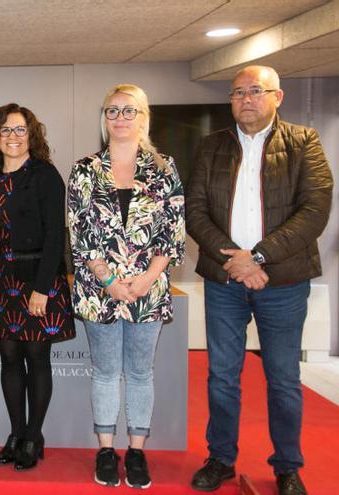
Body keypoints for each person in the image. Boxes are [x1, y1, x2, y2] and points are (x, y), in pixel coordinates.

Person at [187, 66, 333, 495]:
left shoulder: (304, 142)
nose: (246, 99)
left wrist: (260, 257)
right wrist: (235, 261)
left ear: (278, 96)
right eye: (238, 92)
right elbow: (195, 211)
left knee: (284, 378)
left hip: (283, 282)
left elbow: (315, 211)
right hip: (224, 280)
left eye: (255, 91)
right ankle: (220, 458)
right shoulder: (212, 145)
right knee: (221, 376)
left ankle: (288, 466)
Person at [68, 84, 186, 489]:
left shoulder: (165, 168)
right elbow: (78, 233)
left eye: (128, 110)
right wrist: (111, 281)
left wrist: (147, 279)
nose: (120, 117)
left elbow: (173, 234)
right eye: (113, 110)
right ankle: (105, 449)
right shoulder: (84, 169)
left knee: (139, 373)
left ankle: (136, 452)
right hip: (99, 291)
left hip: (147, 293)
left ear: (143, 117)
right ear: (104, 118)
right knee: (104, 372)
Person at [0, 103, 75, 472]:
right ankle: (16, 432)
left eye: (20, 130)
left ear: (32, 136)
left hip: (39, 281)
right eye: (5, 130)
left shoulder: (45, 175)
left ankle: (34, 435)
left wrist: (42, 288)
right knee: (8, 359)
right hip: (1, 282)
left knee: (36, 359)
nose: (13, 137)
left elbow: (56, 236)